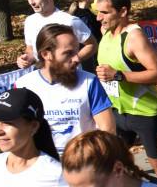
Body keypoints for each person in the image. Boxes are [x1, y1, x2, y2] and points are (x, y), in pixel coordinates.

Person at [94, 0, 157, 178]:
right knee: (114, 161)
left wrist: (119, 75)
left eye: (105, 12)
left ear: (123, 12)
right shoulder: (106, 34)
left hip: (145, 113)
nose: (98, 18)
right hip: (117, 112)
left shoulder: (134, 37)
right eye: (98, 12)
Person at [16, 24, 115, 154]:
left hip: (83, 163)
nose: (76, 58)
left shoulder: (89, 82)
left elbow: (108, 129)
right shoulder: (24, 85)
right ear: (46, 54)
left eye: (76, 51)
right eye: (68, 53)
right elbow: (17, 131)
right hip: (42, 165)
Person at [17, 0, 97, 69]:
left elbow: (92, 44)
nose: (31, 2)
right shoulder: (29, 21)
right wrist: (27, 58)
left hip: (69, 79)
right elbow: (30, 48)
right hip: (42, 77)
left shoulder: (69, 21)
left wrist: (74, 60)